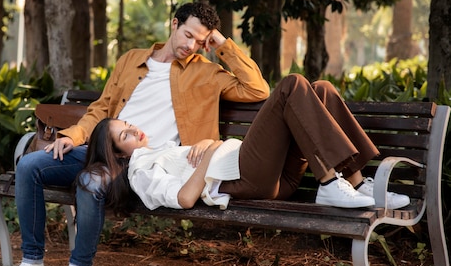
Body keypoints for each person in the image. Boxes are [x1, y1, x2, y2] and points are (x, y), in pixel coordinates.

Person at [0, 1, 271, 266]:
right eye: (188, 35)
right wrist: (73, 135)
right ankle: (32, 262)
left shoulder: (207, 72)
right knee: (29, 166)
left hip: (143, 162)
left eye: (201, 40)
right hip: (103, 148)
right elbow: (101, 109)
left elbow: (257, 89)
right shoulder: (131, 60)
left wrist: (221, 44)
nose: (192, 45)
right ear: (174, 24)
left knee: (91, 181)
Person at [82, 73, 410, 216]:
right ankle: (328, 182)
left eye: (127, 124)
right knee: (292, 85)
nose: (134, 130)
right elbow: (184, 198)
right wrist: (211, 151)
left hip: (269, 175)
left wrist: (209, 144)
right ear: (118, 155)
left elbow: (193, 163)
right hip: (246, 177)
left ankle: (356, 183)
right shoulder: (139, 171)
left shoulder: (157, 150)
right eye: (125, 136)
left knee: (320, 88)